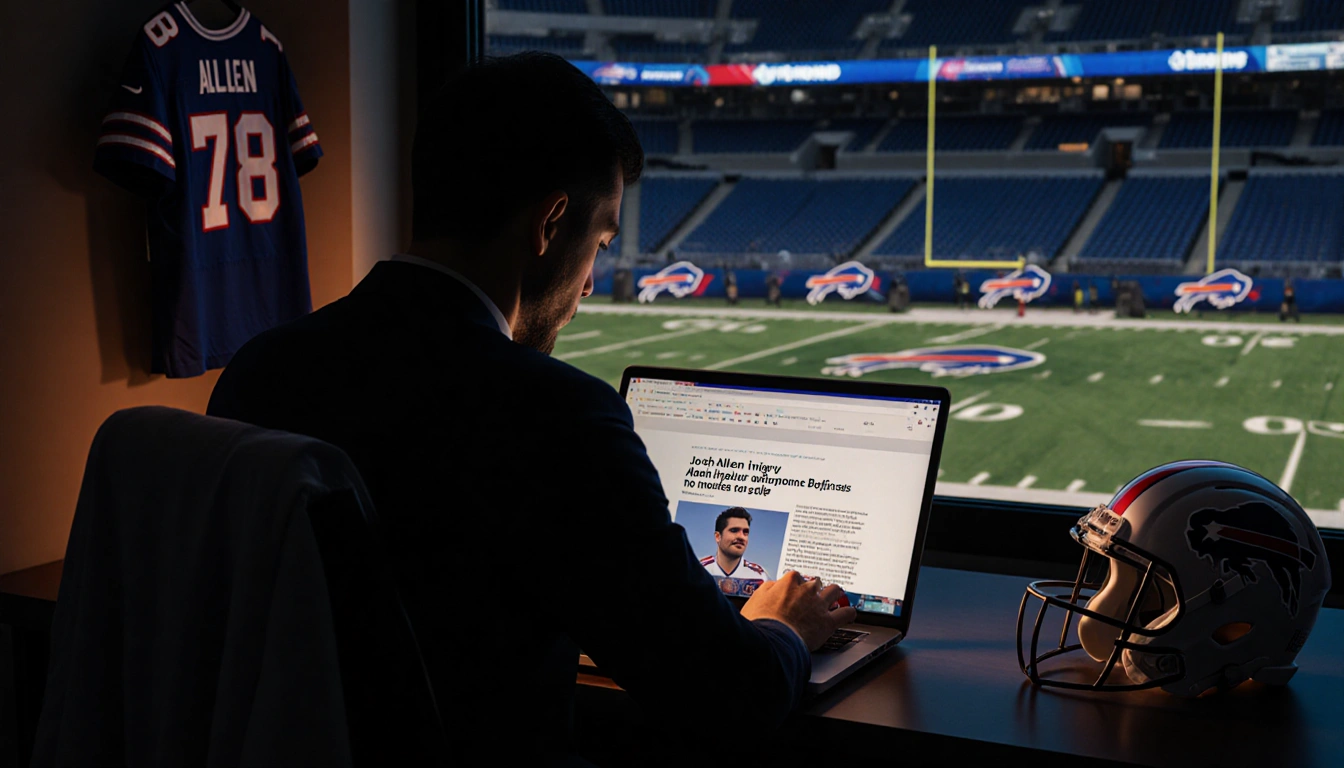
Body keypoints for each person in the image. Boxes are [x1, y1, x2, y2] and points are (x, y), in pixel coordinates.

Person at [206, 52, 854, 763]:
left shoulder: (259, 371)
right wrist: (782, 625)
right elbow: (730, 695)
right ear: (550, 224)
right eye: (600, 242)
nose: (589, 285)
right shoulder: (557, 417)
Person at [701, 507, 773, 582]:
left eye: (745, 532)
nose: (741, 536)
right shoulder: (698, 570)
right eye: (734, 530)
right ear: (718, 537)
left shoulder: (759, 576)